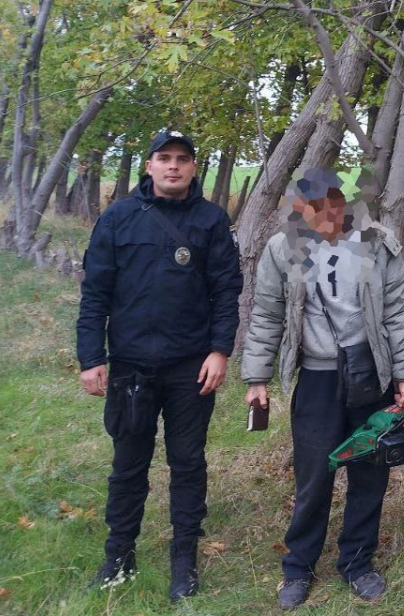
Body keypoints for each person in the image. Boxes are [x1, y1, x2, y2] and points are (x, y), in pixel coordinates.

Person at [242, 168, 404, 610]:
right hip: (317, 379)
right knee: (314, 476)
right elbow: (266, 315)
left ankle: (357, 563)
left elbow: (398, 312)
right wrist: (256, 378)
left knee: (369, 473)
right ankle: (298, 567)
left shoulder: (377, 245)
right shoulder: (282, 248)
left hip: (370, 376)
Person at [76, 129, 242, 601]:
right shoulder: (118, 219)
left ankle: (183, 560)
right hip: (130, 367)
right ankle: (118, 557)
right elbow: (95, 295)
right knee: (128, 466)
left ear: (193, 167)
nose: (173, 166)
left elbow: (227, 291)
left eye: (182, 159)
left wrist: (220, 350)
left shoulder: (211, 222)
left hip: (191, 368)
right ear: (149, 165)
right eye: (164, 158)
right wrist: (92, 358)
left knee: (188, 464)